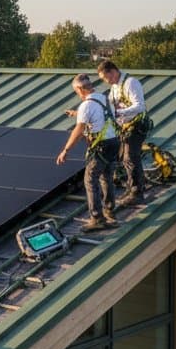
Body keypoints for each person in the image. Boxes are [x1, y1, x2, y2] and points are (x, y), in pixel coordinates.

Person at [57, 72, 118, 231]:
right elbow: (99, 115)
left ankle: (97, 218)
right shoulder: (104, 99)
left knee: (90, 180)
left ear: (79, 89)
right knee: (107, 178)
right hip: (114, 143)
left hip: (100, 147)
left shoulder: (86, 105)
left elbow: (78, 130)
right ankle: (110, 212)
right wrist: (76, 114)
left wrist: (65, 150)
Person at [96, 58, 147, 206]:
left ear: (113, 72)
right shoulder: (115, 87)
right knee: (124, 158)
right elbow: (111, 105)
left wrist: (119, 112)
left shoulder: (131, 83)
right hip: (125, 126)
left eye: (106, 77)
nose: (106, 81)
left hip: (137, 125)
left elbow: (140, 106)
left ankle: (137, 193)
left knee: (130, 157)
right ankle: (132, 188)